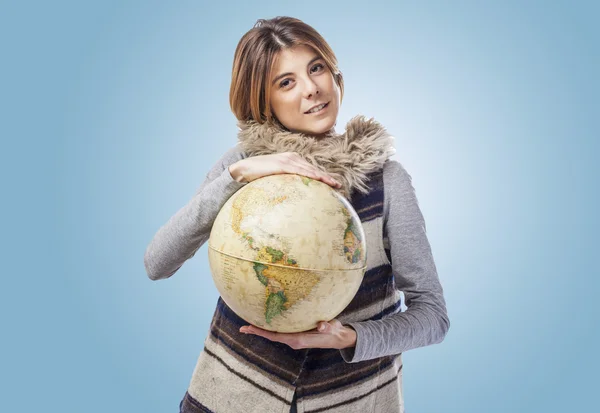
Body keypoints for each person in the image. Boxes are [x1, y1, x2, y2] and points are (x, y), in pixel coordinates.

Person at [144, 16, 450, 413]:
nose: (311, 89)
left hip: (353, 400)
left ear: (334, 74)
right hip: (232, 397)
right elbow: (157, 263)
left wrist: (351, 337)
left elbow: (433, 316)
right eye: (285, 82)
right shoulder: (243, 166)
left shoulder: (386, 181)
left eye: (316, 68)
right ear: (261, 99)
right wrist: (233, 177)